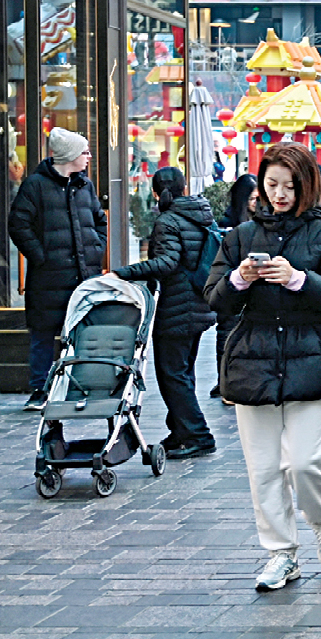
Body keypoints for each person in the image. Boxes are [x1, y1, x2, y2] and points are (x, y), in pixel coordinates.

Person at [205, 143, 321, 592]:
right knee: (264, 468)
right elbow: (214, 298)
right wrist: (239, 278)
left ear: (307, 187)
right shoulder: (240, 236)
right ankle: (281, 553)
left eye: (290, 186)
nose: (279, 194)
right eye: (272, 184)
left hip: (314, 359)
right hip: (252, 361)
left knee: (305, 462)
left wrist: (298, 280)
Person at [108, 167, 218, 459]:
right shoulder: (201, 214)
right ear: (184, 188)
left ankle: (198, 435)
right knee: (183, 372)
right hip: (198, 304)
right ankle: (181, 431)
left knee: (172, 375)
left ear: (156, 193)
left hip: (176, 308)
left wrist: (123, 273)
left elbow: (168, 263)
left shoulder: (167, 220)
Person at [7, 127, 106, 411]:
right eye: (84, 152)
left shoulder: (85, 185)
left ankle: (80, 387)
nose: (88, 157)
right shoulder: (35, 185)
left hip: (84, 275)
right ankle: (40, 389)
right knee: (43, 333)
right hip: (48, 277)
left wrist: (96, 249)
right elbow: (18, 225)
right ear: (70, 155)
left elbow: (99, 220)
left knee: (83, 334)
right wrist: (41, 257)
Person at [211, 173, 260, 404]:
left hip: (255, 289)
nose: (256, 202)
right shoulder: (227, 224)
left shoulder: (263, 222)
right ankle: (226, 384)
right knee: (227, 335)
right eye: (252, 198)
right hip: (231, 286)